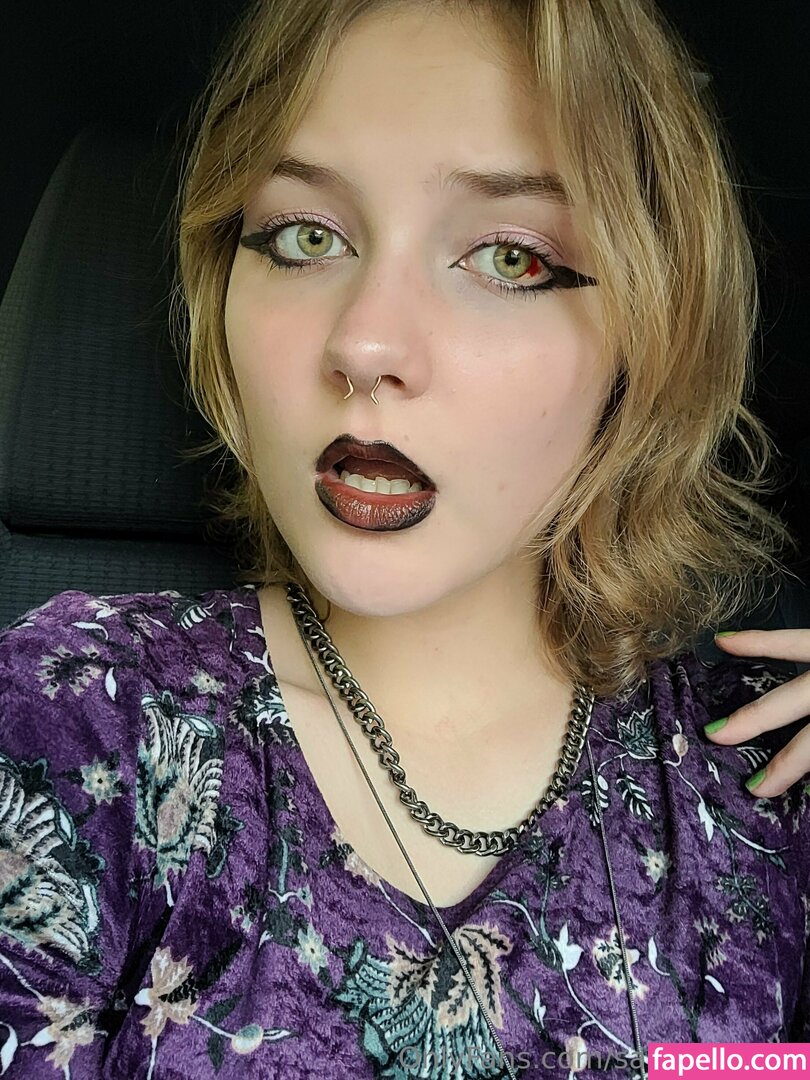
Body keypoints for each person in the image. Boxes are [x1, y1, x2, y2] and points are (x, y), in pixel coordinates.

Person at [0, 0, 808, 1076]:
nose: (365, 342)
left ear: (653, 333)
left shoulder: (763, 779)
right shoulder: (71, 721)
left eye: (510, 257)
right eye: (305, 237)